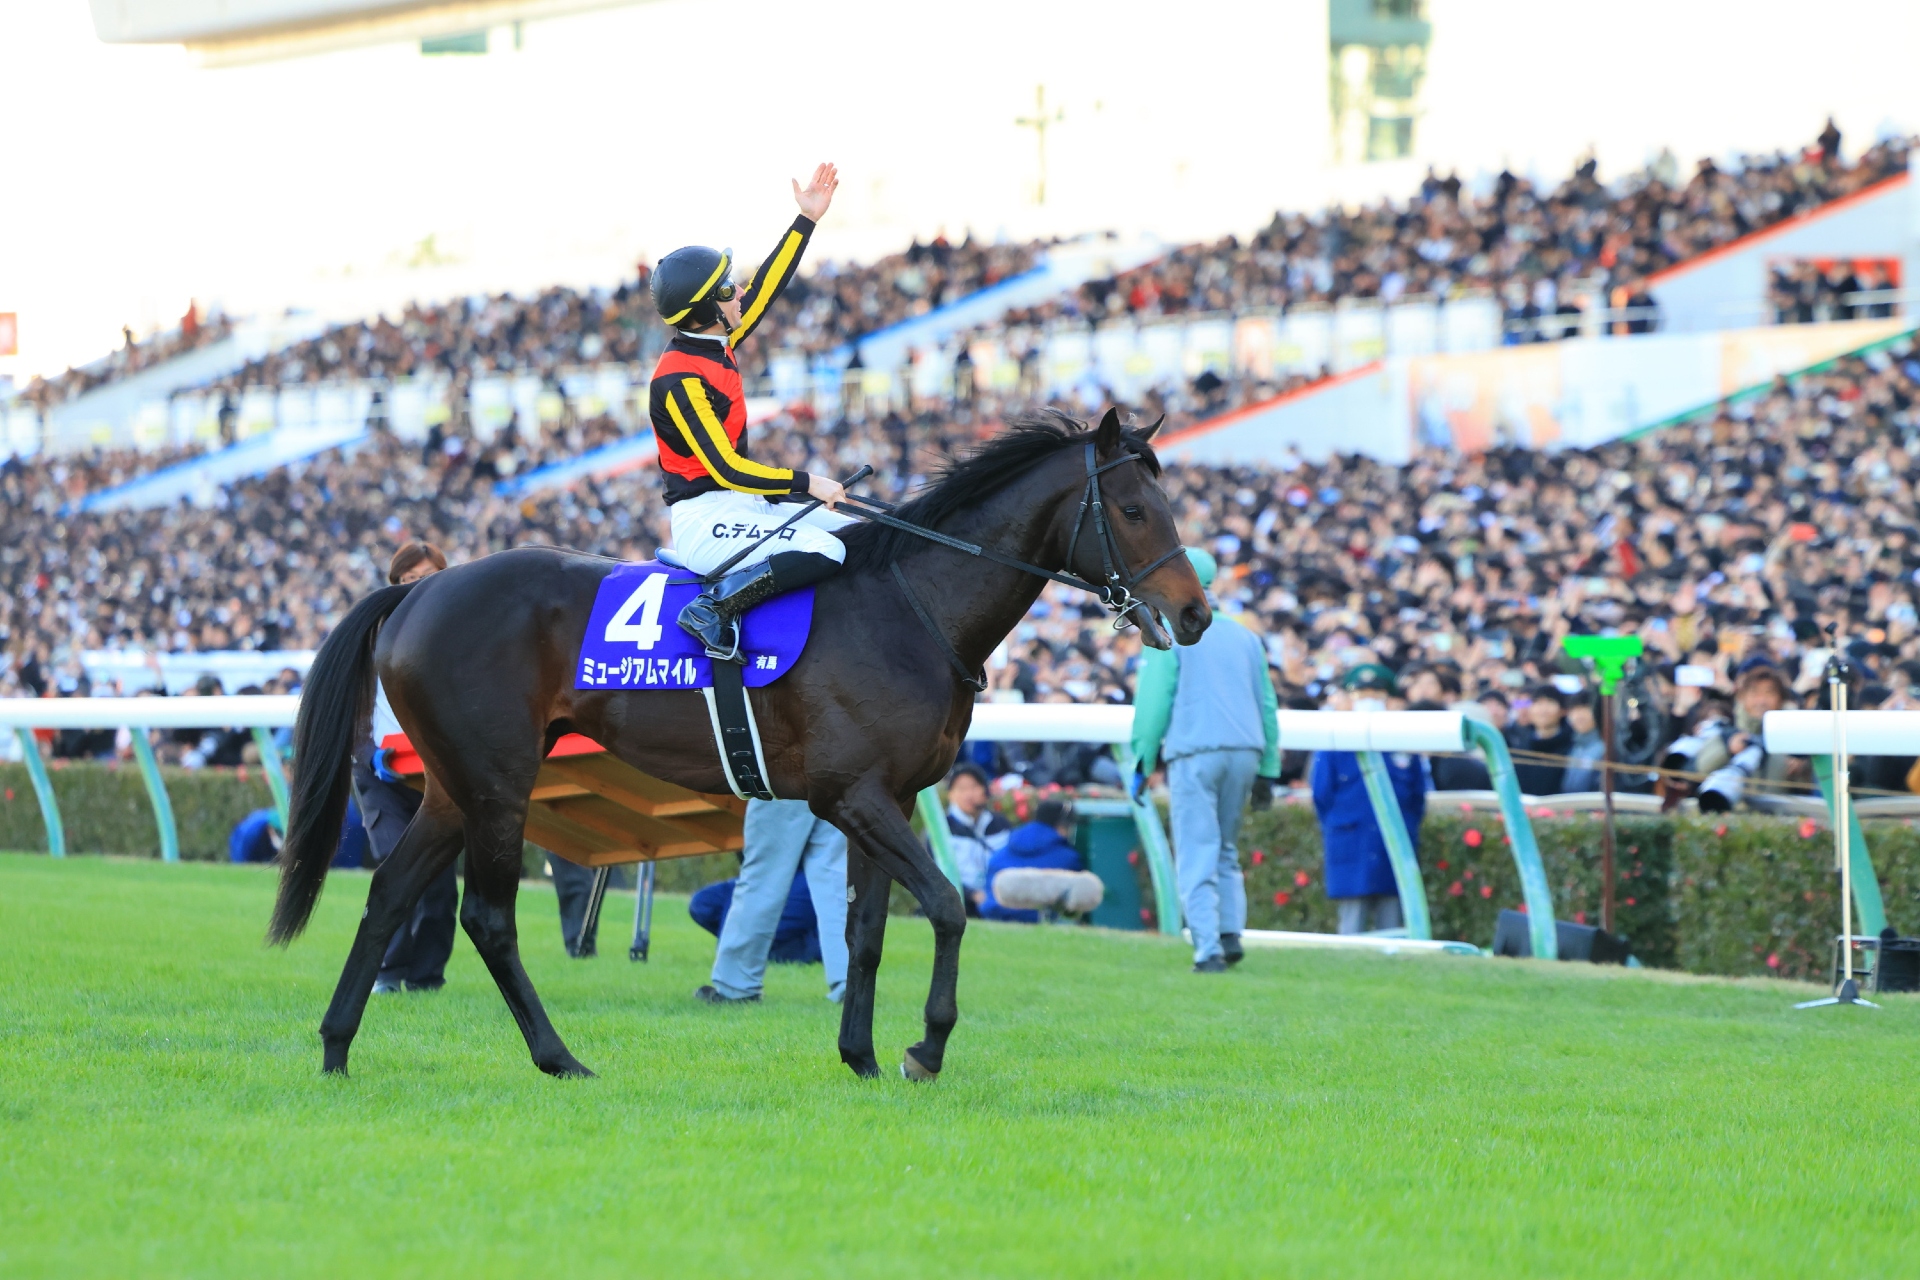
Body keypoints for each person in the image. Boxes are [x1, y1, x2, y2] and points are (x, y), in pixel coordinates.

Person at [647, 162, 851, 659]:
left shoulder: (716, 336)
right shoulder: (679, 378)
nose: (739, 291)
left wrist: (806, 221)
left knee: (859, 536)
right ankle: (711, 610)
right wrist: (809, 482)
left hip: (742, 505)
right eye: (727, 289)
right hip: (707, 516)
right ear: (706, 310)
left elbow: (766, 289)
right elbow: (727, 468)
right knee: (828, 548)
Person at [1129, 548, 1280, 972]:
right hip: (1246, 750)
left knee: (1197, 847)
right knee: (1226, 847)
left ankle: (1207, 949)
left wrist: (1143, 761)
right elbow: (1267, 704)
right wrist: (1269, 768)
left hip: (1196, 749)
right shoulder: (1248, 637)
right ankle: (1231, 932)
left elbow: (1154, 704)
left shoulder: (1171, 632)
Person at [363, 542, 458, 995]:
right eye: (406, 582)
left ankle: (427, 977)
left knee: (439, 879)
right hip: (381, 773)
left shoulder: (468, 631)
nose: (416, 588)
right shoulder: (370, 633)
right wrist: (365, 753)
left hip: (439, 773)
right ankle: (388, 970)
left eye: (426, 578)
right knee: (396, 865)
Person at [695, 798, 850, 1004]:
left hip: (786, 775)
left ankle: (736, 987)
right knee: (834, 875)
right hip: (837, 771)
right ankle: (850, 983)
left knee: (763, 876)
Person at [1311, 670, 1429, 935]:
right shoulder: (1334, 739)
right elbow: (1321, 795)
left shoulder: (1401, 739)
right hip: (1350, 841)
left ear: (1386, 698)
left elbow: (1417, 796)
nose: (1368, 700)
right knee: (1351, 924)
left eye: (1375, 694)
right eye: (1361, 694)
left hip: (1394, 843)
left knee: (1394, 924)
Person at [979, 797, 1084, 923]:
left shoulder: (999, 855)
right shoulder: (1069, 858)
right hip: (1040, 919)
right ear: (1062, 826)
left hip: (995, 916)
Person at [689, 868, 823, 964]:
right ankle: (750, 950)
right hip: (766, 873)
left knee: (745, 942)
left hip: (807, 874)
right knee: (701, 903)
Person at [941, 763, 1010, 914]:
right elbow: (936, 873)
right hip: (958, 903)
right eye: (961, 789)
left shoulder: (1000, 824)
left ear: (985, 791)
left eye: (974, 787)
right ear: (950, 795)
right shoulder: (942, 828)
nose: (968, 794)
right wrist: (972, 895)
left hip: (998, 899)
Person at [1508, 685, 1574, 796]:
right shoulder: (1521, 747)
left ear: (1563, 710)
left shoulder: (1572, 747)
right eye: (1538, 703)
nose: (1543, 709)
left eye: (1550, 702)